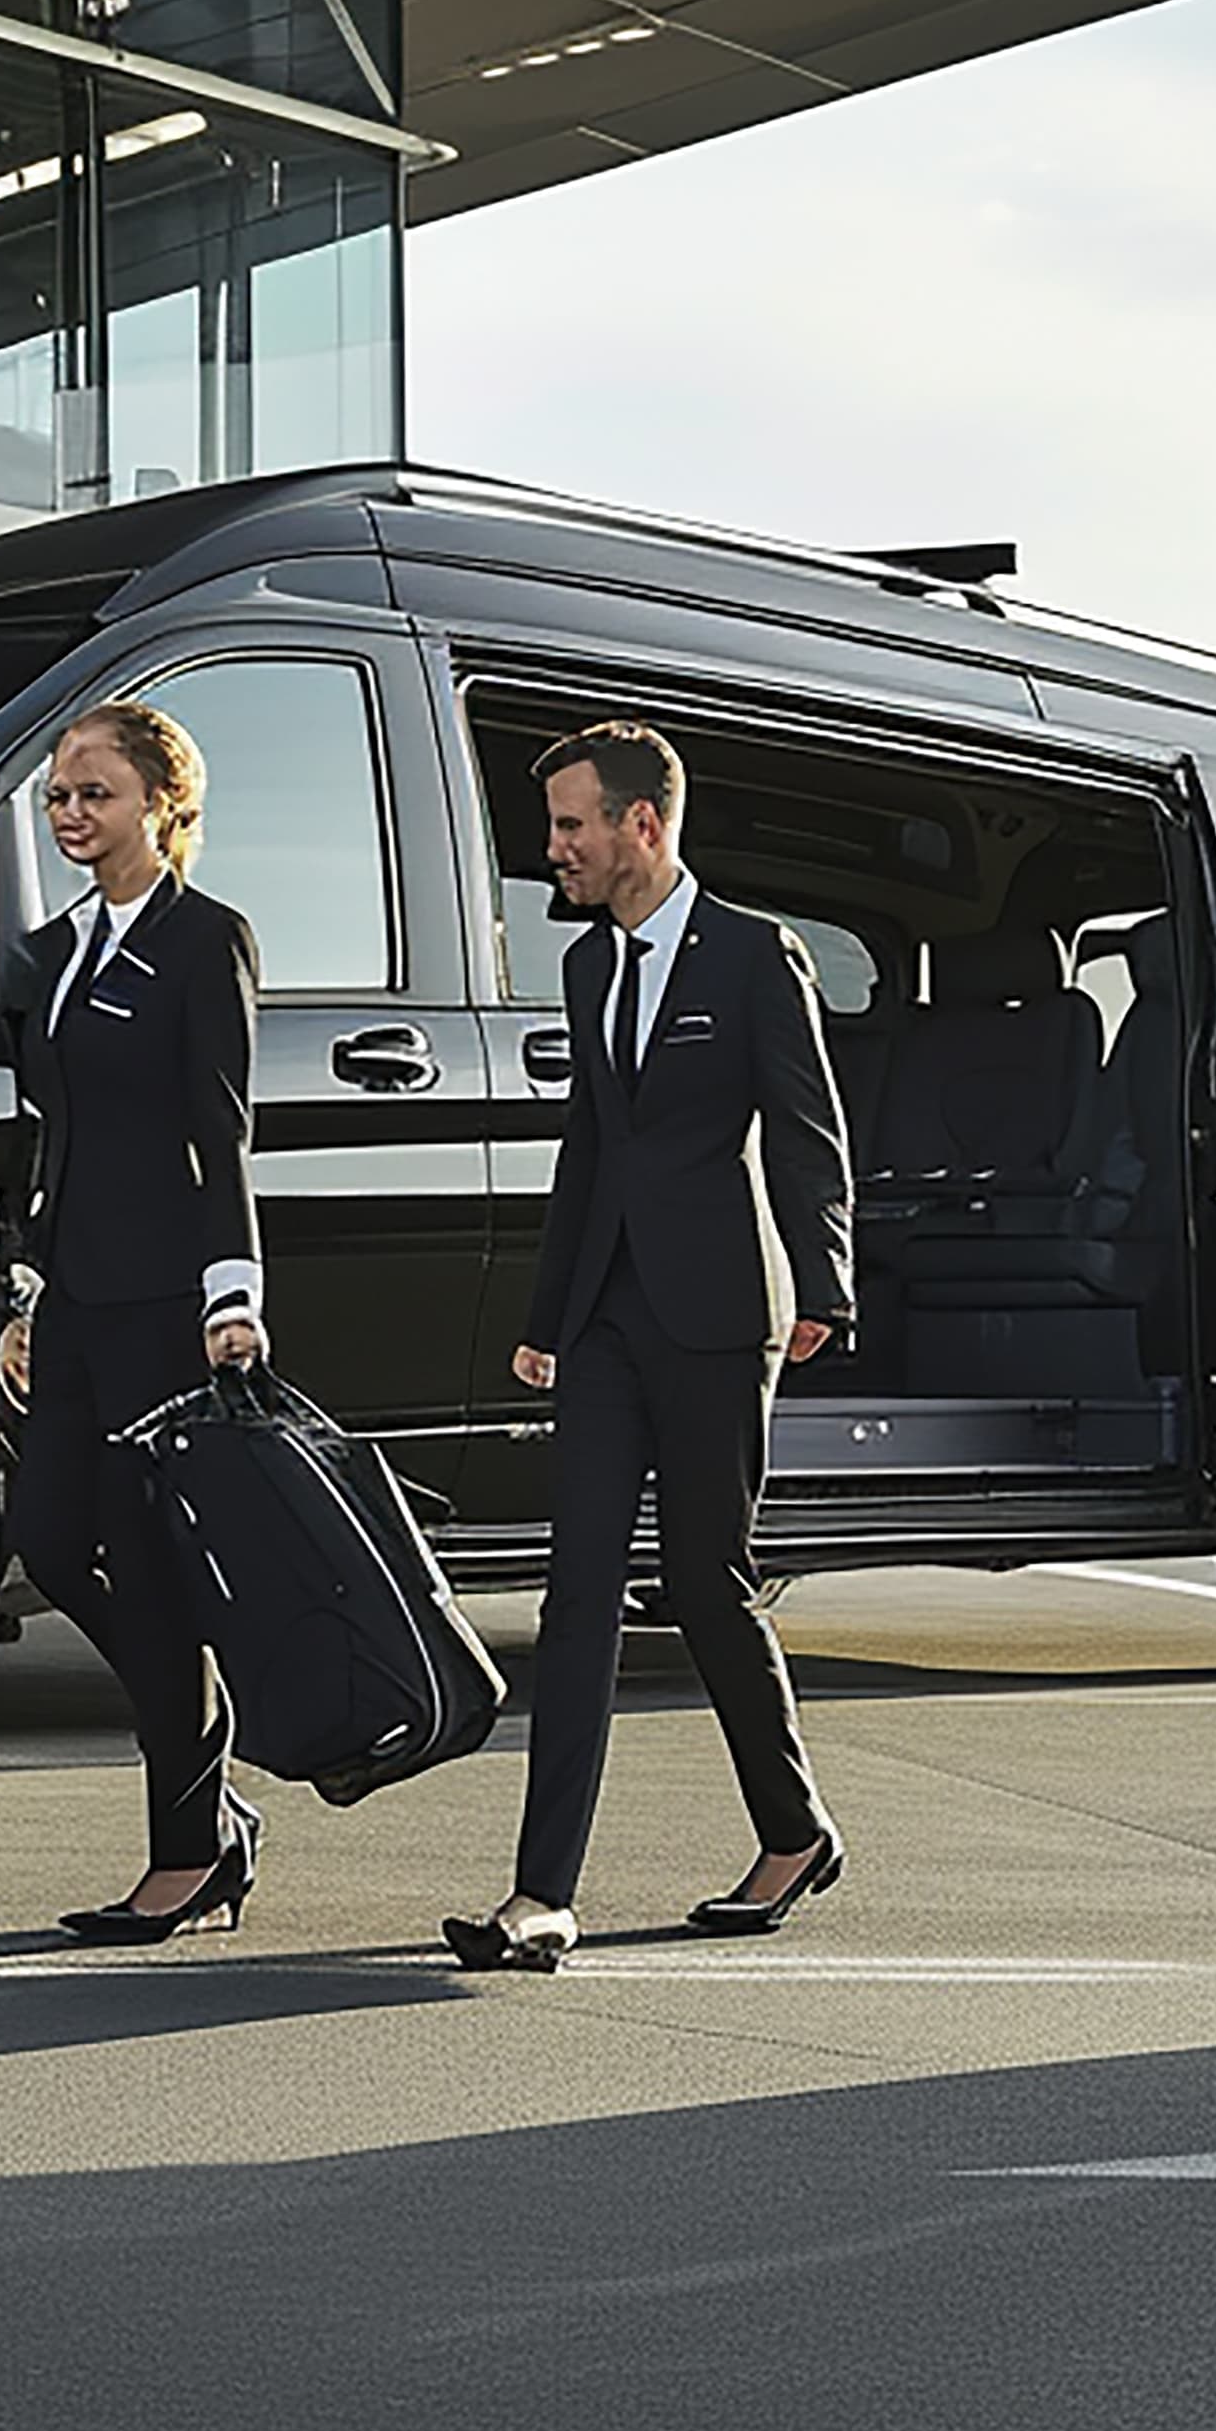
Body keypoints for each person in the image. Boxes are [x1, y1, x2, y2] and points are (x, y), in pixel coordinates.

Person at [443, 722, 856, 1972]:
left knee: (706, 1581)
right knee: (578, 1592)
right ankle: (540, 1895)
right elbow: (590, 1152)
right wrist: (543, 1317)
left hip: (723, 1314)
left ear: (642, 825)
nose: (552, 848)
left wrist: (824, 1280)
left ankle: (794, 1829)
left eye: (571, 825)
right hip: (607, 1319)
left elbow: (805, 1130)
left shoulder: (749, 956)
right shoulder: (589, 969)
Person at [0, 698, 269, 1944]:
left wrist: (232, 1297)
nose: (70, 812)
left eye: (94, 793)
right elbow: (38, 1138)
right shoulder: (48, 955)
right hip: (74, 1302)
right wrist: (19, 1291)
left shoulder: (206, 941)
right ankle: (202, 1734)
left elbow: (220, 1134)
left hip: (166, 1304)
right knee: (49, 1541)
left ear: (163, 806)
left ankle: (187, 1847)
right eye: (59, 793)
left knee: (152, 1572)